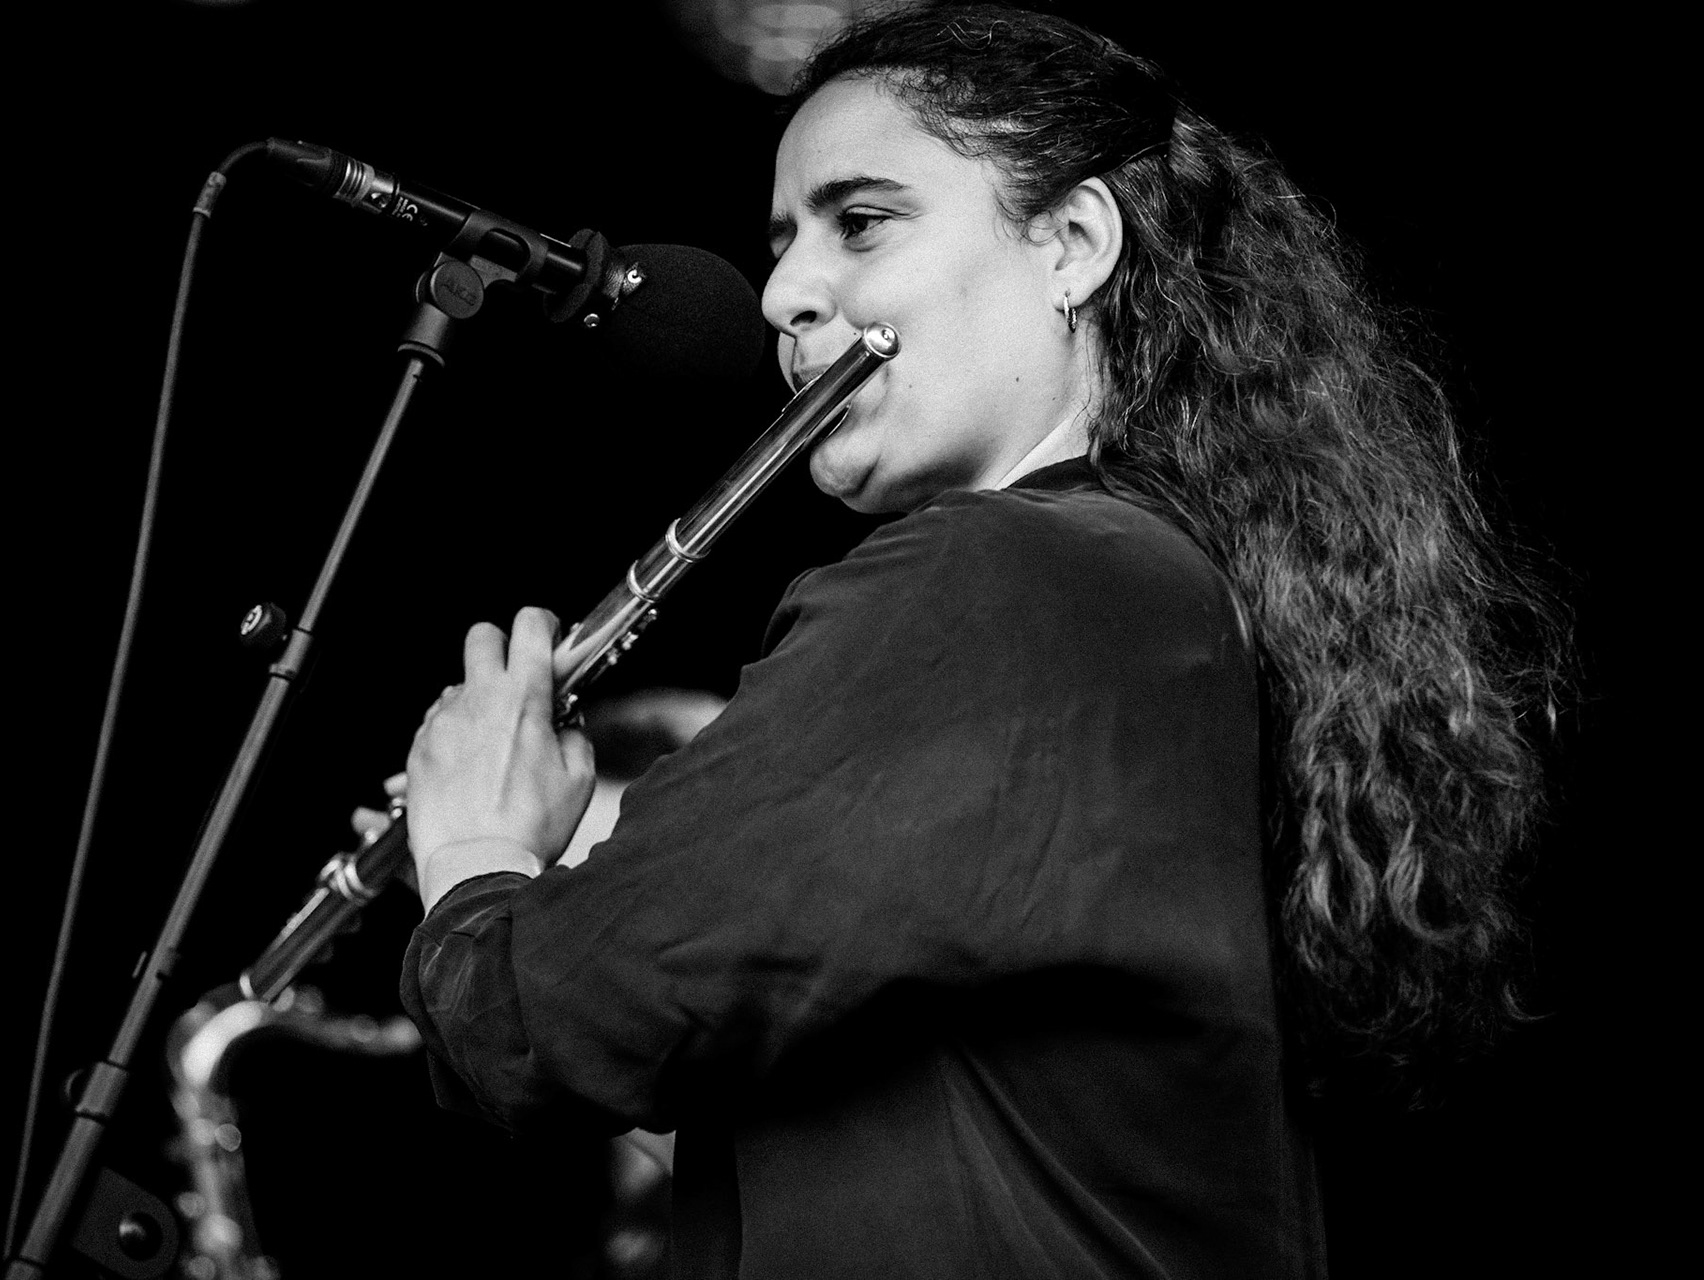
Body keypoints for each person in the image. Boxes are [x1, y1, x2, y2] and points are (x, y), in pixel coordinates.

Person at [392, 7, 1564, 1278]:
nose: (784, 293)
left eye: (864, 221)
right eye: (783, 241)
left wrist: (473, 849)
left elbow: (545, 1027)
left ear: (1071, 243)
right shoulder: (1153, 591)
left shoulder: (1006, 573)